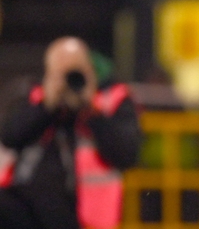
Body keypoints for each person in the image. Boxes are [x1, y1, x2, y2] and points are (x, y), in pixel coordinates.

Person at [0, 37, 140, 229]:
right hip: (30, 207)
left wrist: (89, 109)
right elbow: (10, 137)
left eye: (75, 72)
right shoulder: (36, 97)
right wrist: (47, 106)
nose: (68, 81)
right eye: (61, 73)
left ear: (90, 70)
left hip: (85, 216)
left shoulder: (111, 100)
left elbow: (127, 155)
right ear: (48, 74)